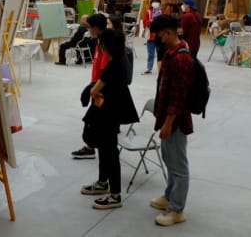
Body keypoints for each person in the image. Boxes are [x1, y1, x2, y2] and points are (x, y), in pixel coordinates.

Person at [80, 28, 139, 210]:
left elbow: (94, 90)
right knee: (106, 151)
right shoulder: (120, 60)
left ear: (105, 45)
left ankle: (115, 195)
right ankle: (102, 183)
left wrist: (94, 91)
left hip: (109, 114)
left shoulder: (114, 66)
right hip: (111, 113)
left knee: (109, 153)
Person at [149, 14, 193, 226]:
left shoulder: (180, 58)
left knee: (178, 165)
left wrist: (168, 123)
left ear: (168, 33)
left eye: (159, 35)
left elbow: (178, 96)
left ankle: (177, 210)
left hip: (176, 121)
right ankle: (169, 196)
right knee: (169, 159)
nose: (157, 39)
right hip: (167, 117)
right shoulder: (171, 53)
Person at [71, 13, 110, 159]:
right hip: (96, 86)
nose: (87, 30)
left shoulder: (105, 45)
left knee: (92, 120)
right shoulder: (99, 43)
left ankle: (92, 147)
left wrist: (95, 89)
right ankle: (90, 147)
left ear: (96, 28)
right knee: (93, 120)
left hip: (100, 90)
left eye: (88, 27)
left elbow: (105, 73)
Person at [142, 0, 163, 74]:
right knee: (151, 54)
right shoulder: (148, 12)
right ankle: (149, 68)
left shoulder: (162, 13)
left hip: (160, 37)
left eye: (157, 2)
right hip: (150, 37)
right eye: (154, 2)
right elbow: (144, 23)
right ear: (151, 4)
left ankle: (161, 68)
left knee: (160, 54)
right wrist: (150, 21)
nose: (155, 4)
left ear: (160, 4)